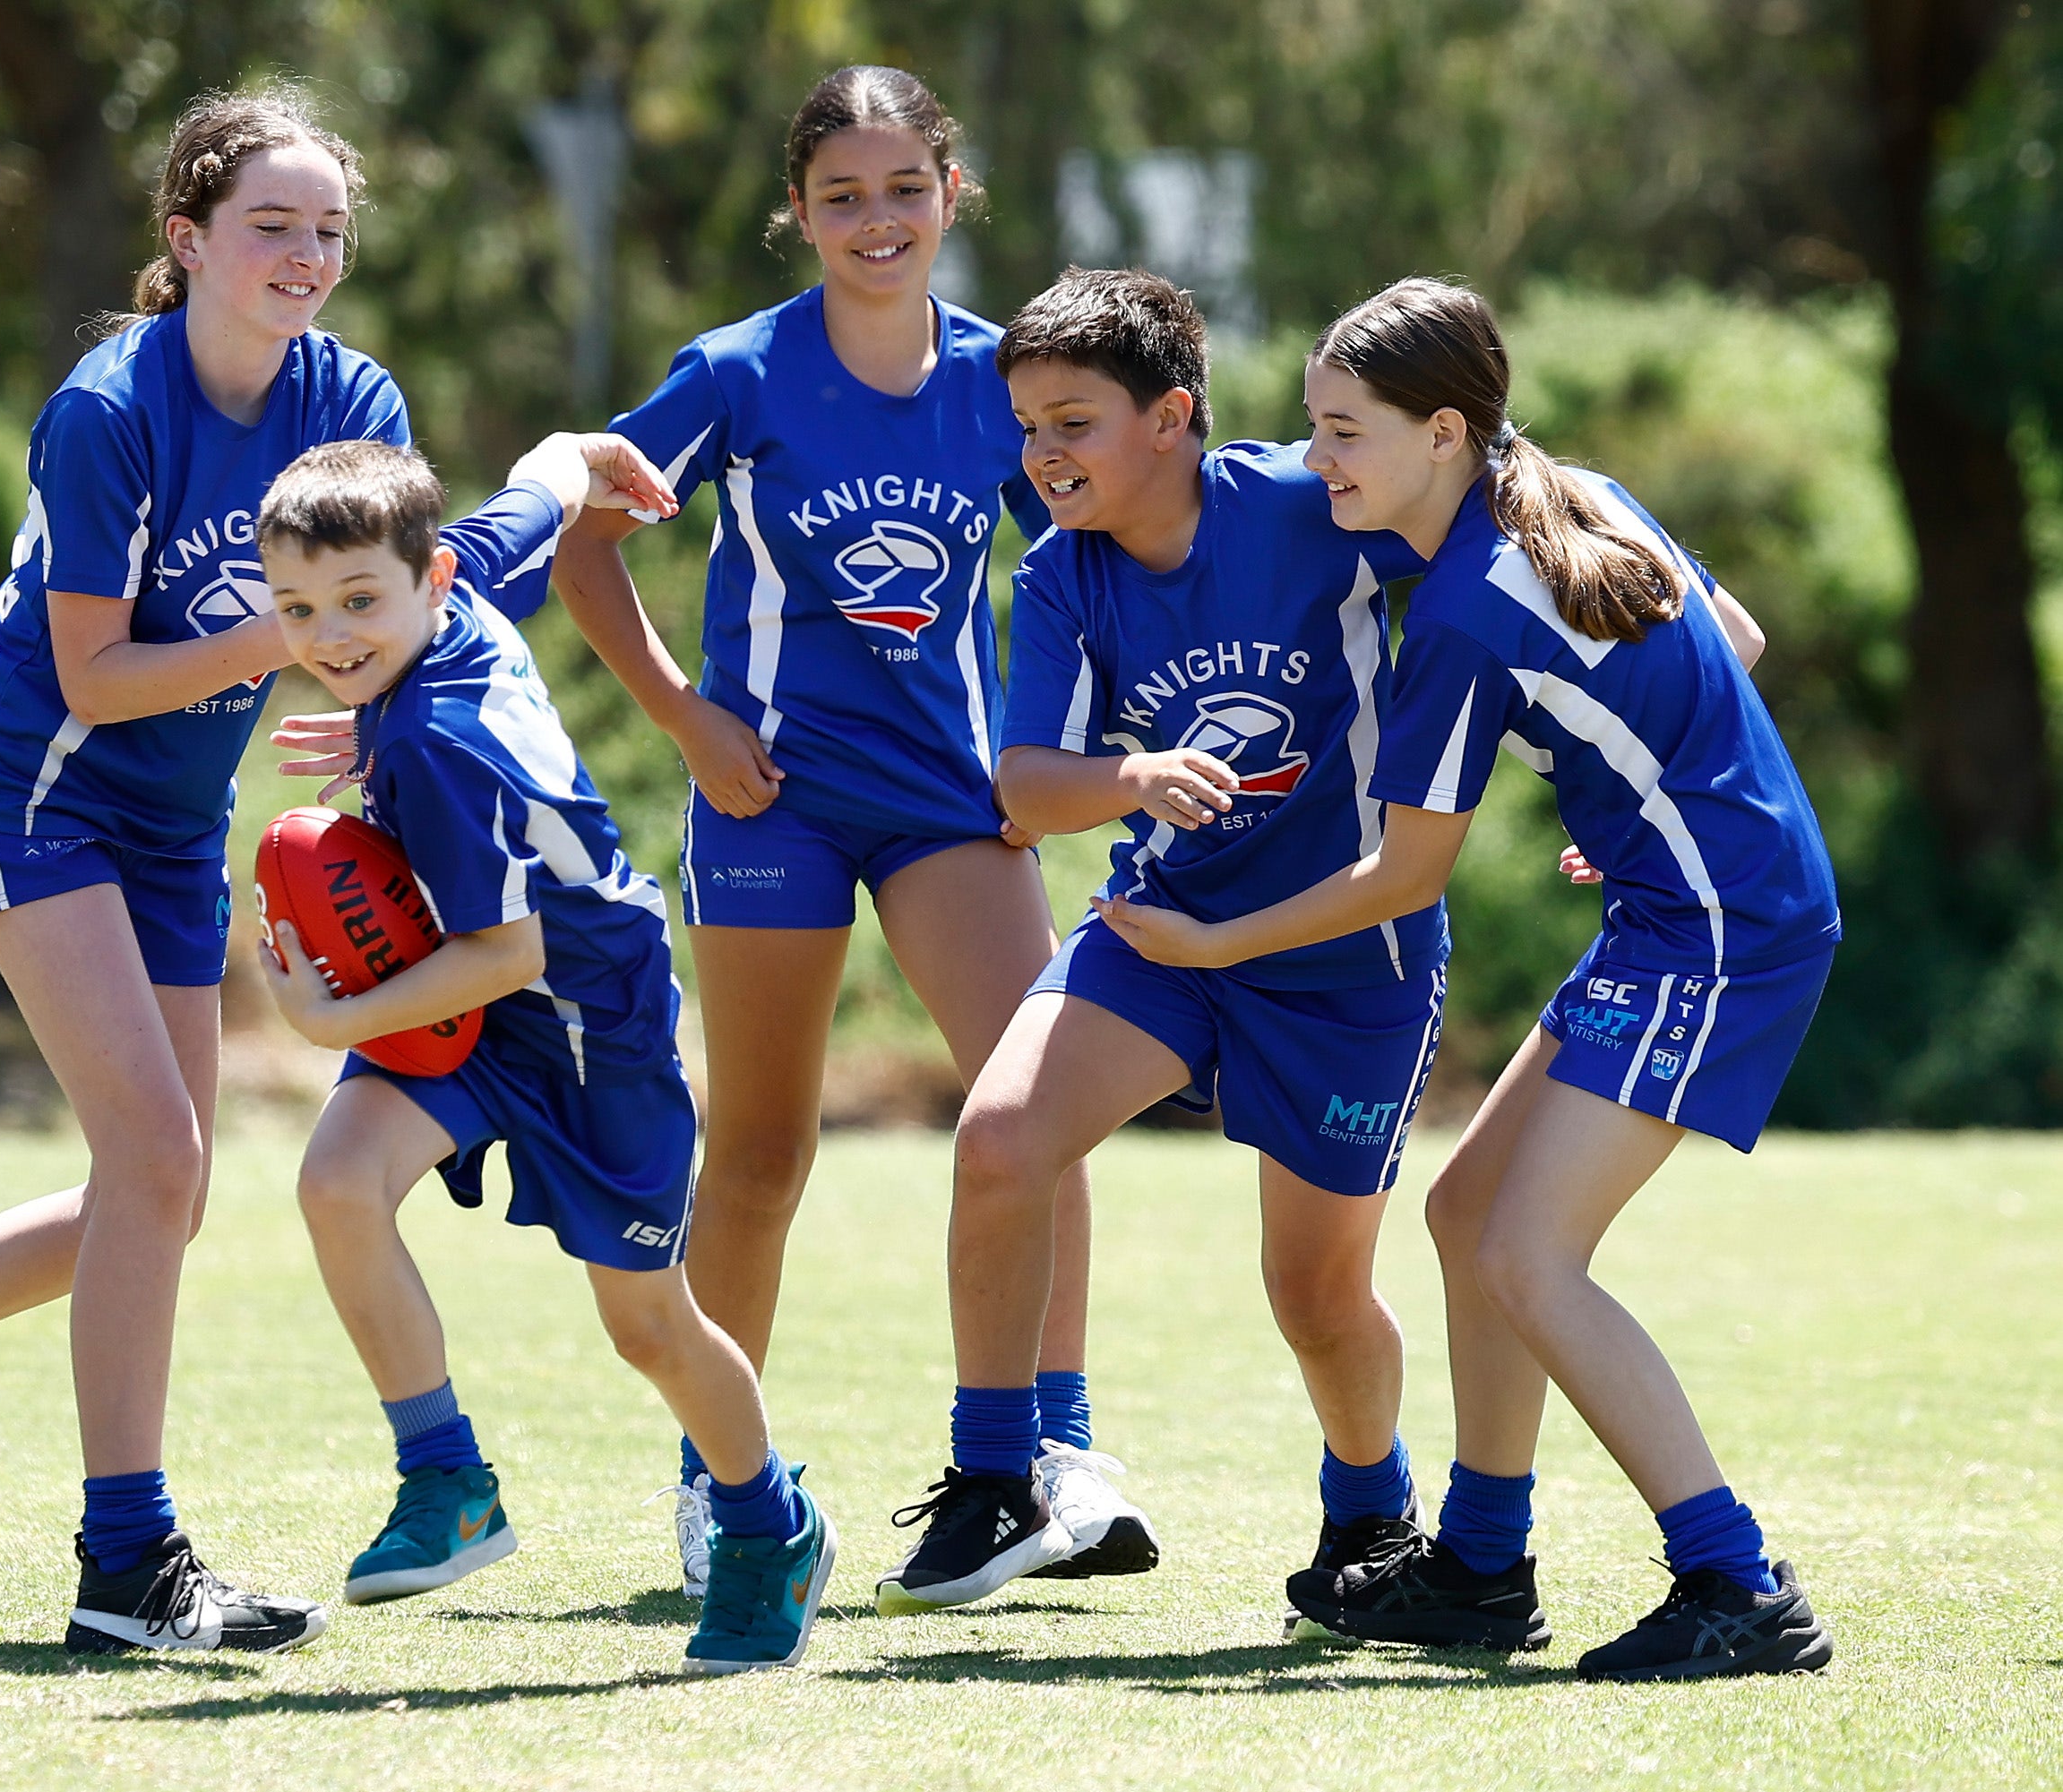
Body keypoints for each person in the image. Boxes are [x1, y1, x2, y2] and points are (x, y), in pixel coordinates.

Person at [0, 86, 408, 1655]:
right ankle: (127, 1563)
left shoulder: (348, 392)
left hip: (172, 819)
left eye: (328, 230)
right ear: (187, 239)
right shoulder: (112, 407)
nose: (305, 255)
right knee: (160, 1158)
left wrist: (376, 708)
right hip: (30, 787)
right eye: (270, 227)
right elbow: (98, 678)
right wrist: (301, 632)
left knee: (154, 1193)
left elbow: (398, 593)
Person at [1102, 276, 1838, 1682]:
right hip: (1686, 900)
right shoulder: (1582, 492)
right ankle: (1483, 1567)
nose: (1318, 462)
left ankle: (1736, 1582)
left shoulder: (1452, 615)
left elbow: (1399, 878)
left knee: (1524, 1253)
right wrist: (1632, 803)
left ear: (1443, 432)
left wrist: (1208, 945)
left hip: (1721, 926)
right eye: (1313, 431)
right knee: (1461, 1215)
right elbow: (1728, 641)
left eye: (1341, 433)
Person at [546, 64, 1153, 1598]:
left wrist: (1077, 755)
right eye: (841, 197)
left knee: (1039, 1108)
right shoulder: (734, 373)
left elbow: (1091, 558)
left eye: (903, 190)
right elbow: (584, 540)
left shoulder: (1004, 375)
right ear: (799, 215)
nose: (875, 221)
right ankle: (722, 1483)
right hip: (774, 799)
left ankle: (1048, 1460)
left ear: (952, 196)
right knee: (757, 1150)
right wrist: (685, 715)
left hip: (954, 801)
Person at [874, 268, 1448, 1616]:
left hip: (1341, 954)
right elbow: (1023, 786)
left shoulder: (1315, 507)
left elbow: (1499, 541)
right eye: (1025, 427)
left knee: (1312, 1293)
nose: (1043, 456)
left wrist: (1673, 635)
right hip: (1161, 925)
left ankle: (1372, 1510)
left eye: (1071, 422)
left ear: (1170, 416)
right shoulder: (1065, 576)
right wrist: (1132, 777)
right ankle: (993, 1475)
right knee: (1000, 1137)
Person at [252, 433, 835, 1676]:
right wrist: (585, 452)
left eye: (361, 602)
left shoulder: (435, 745)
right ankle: (445, 1477)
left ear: (433, 581)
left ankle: (768, 1525)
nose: (332, 635)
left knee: (648, 1327)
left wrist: (326, 1021)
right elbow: (545, 482)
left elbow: (507, 953)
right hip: (480, 1006)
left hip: (587, 1022)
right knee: (337, 1182)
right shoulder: (463, 580)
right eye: (298, 608)